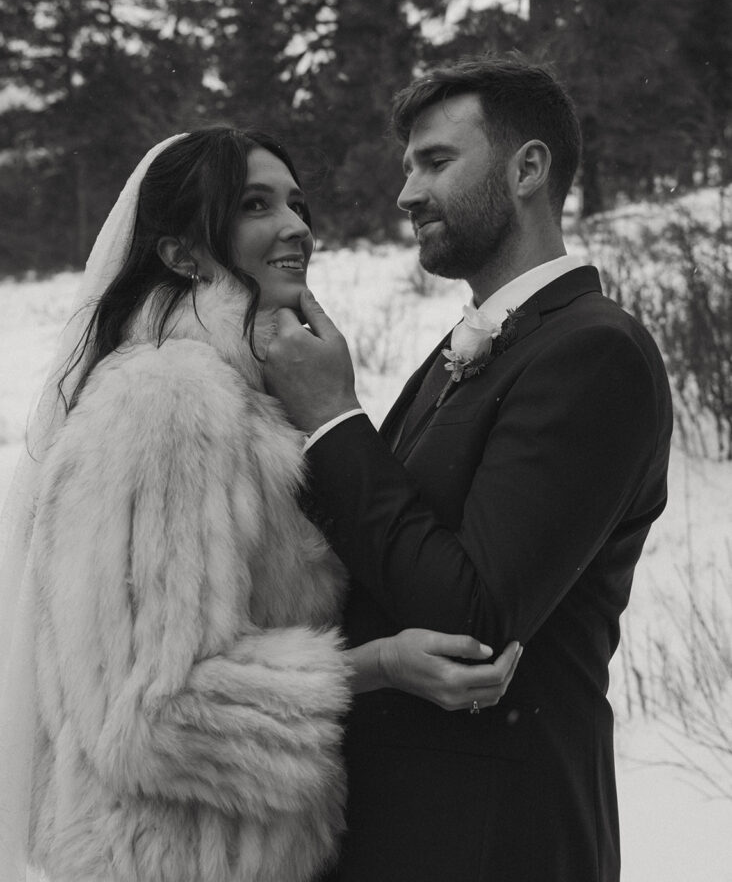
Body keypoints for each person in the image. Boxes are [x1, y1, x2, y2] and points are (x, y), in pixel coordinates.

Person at [0, 127, 520, 882]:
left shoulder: (249, 398)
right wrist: (375, 666)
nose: (296, 226)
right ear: (182, 254)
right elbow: (154, 711)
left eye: (298, 203)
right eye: (255, 205)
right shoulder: (171, 404)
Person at [263, 57, 674, 882]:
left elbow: (473, 612)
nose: (407, 194)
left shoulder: (595, 352)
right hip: (403, 829)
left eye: (436, 161)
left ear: (529, 168)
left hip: (498, 839)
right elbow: (384, 561)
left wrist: (336, 420)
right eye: (408, 165)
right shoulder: (476, 344)